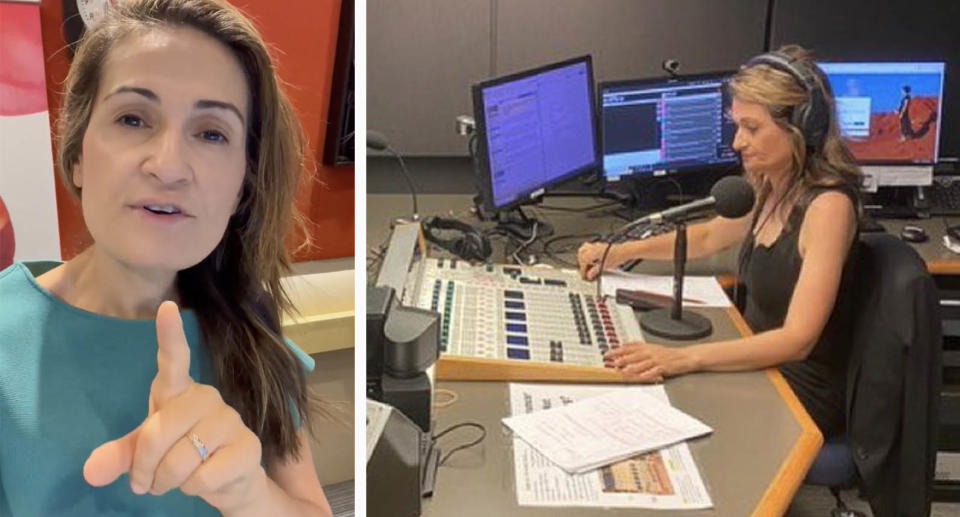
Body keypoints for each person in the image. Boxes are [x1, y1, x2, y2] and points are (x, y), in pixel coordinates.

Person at [0, 1, 333, 515]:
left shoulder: (249, 326)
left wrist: (250, 494)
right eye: (133, 118)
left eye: (211, 133)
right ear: (78, 155)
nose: (170, 165)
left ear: (242, 186)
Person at [577, 45, 862, 438]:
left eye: (753, 128)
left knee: (655, 412)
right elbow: (712, 234)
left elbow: (798, 340)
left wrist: (683, 358)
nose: (738, 143)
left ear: (803, 127)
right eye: (737, 126)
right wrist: (621, 252)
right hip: (758, 358)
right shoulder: (772, 183)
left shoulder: (828, 208)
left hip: (798, 387)